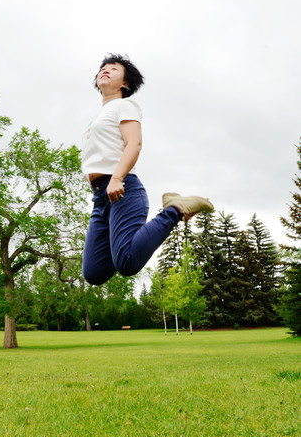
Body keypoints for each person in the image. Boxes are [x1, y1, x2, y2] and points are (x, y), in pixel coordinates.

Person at [82, 53, 213, 286]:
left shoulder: (125, 105)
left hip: (121, 188)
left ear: (125, 83)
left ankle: (174, 209)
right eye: (102, 67)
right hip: (100, 197)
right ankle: (125, 243)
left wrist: (117, 177)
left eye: (113, 68)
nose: (105, 70)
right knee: (94, 272)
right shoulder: (97, 117)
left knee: (128, 263)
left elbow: (134, 144)